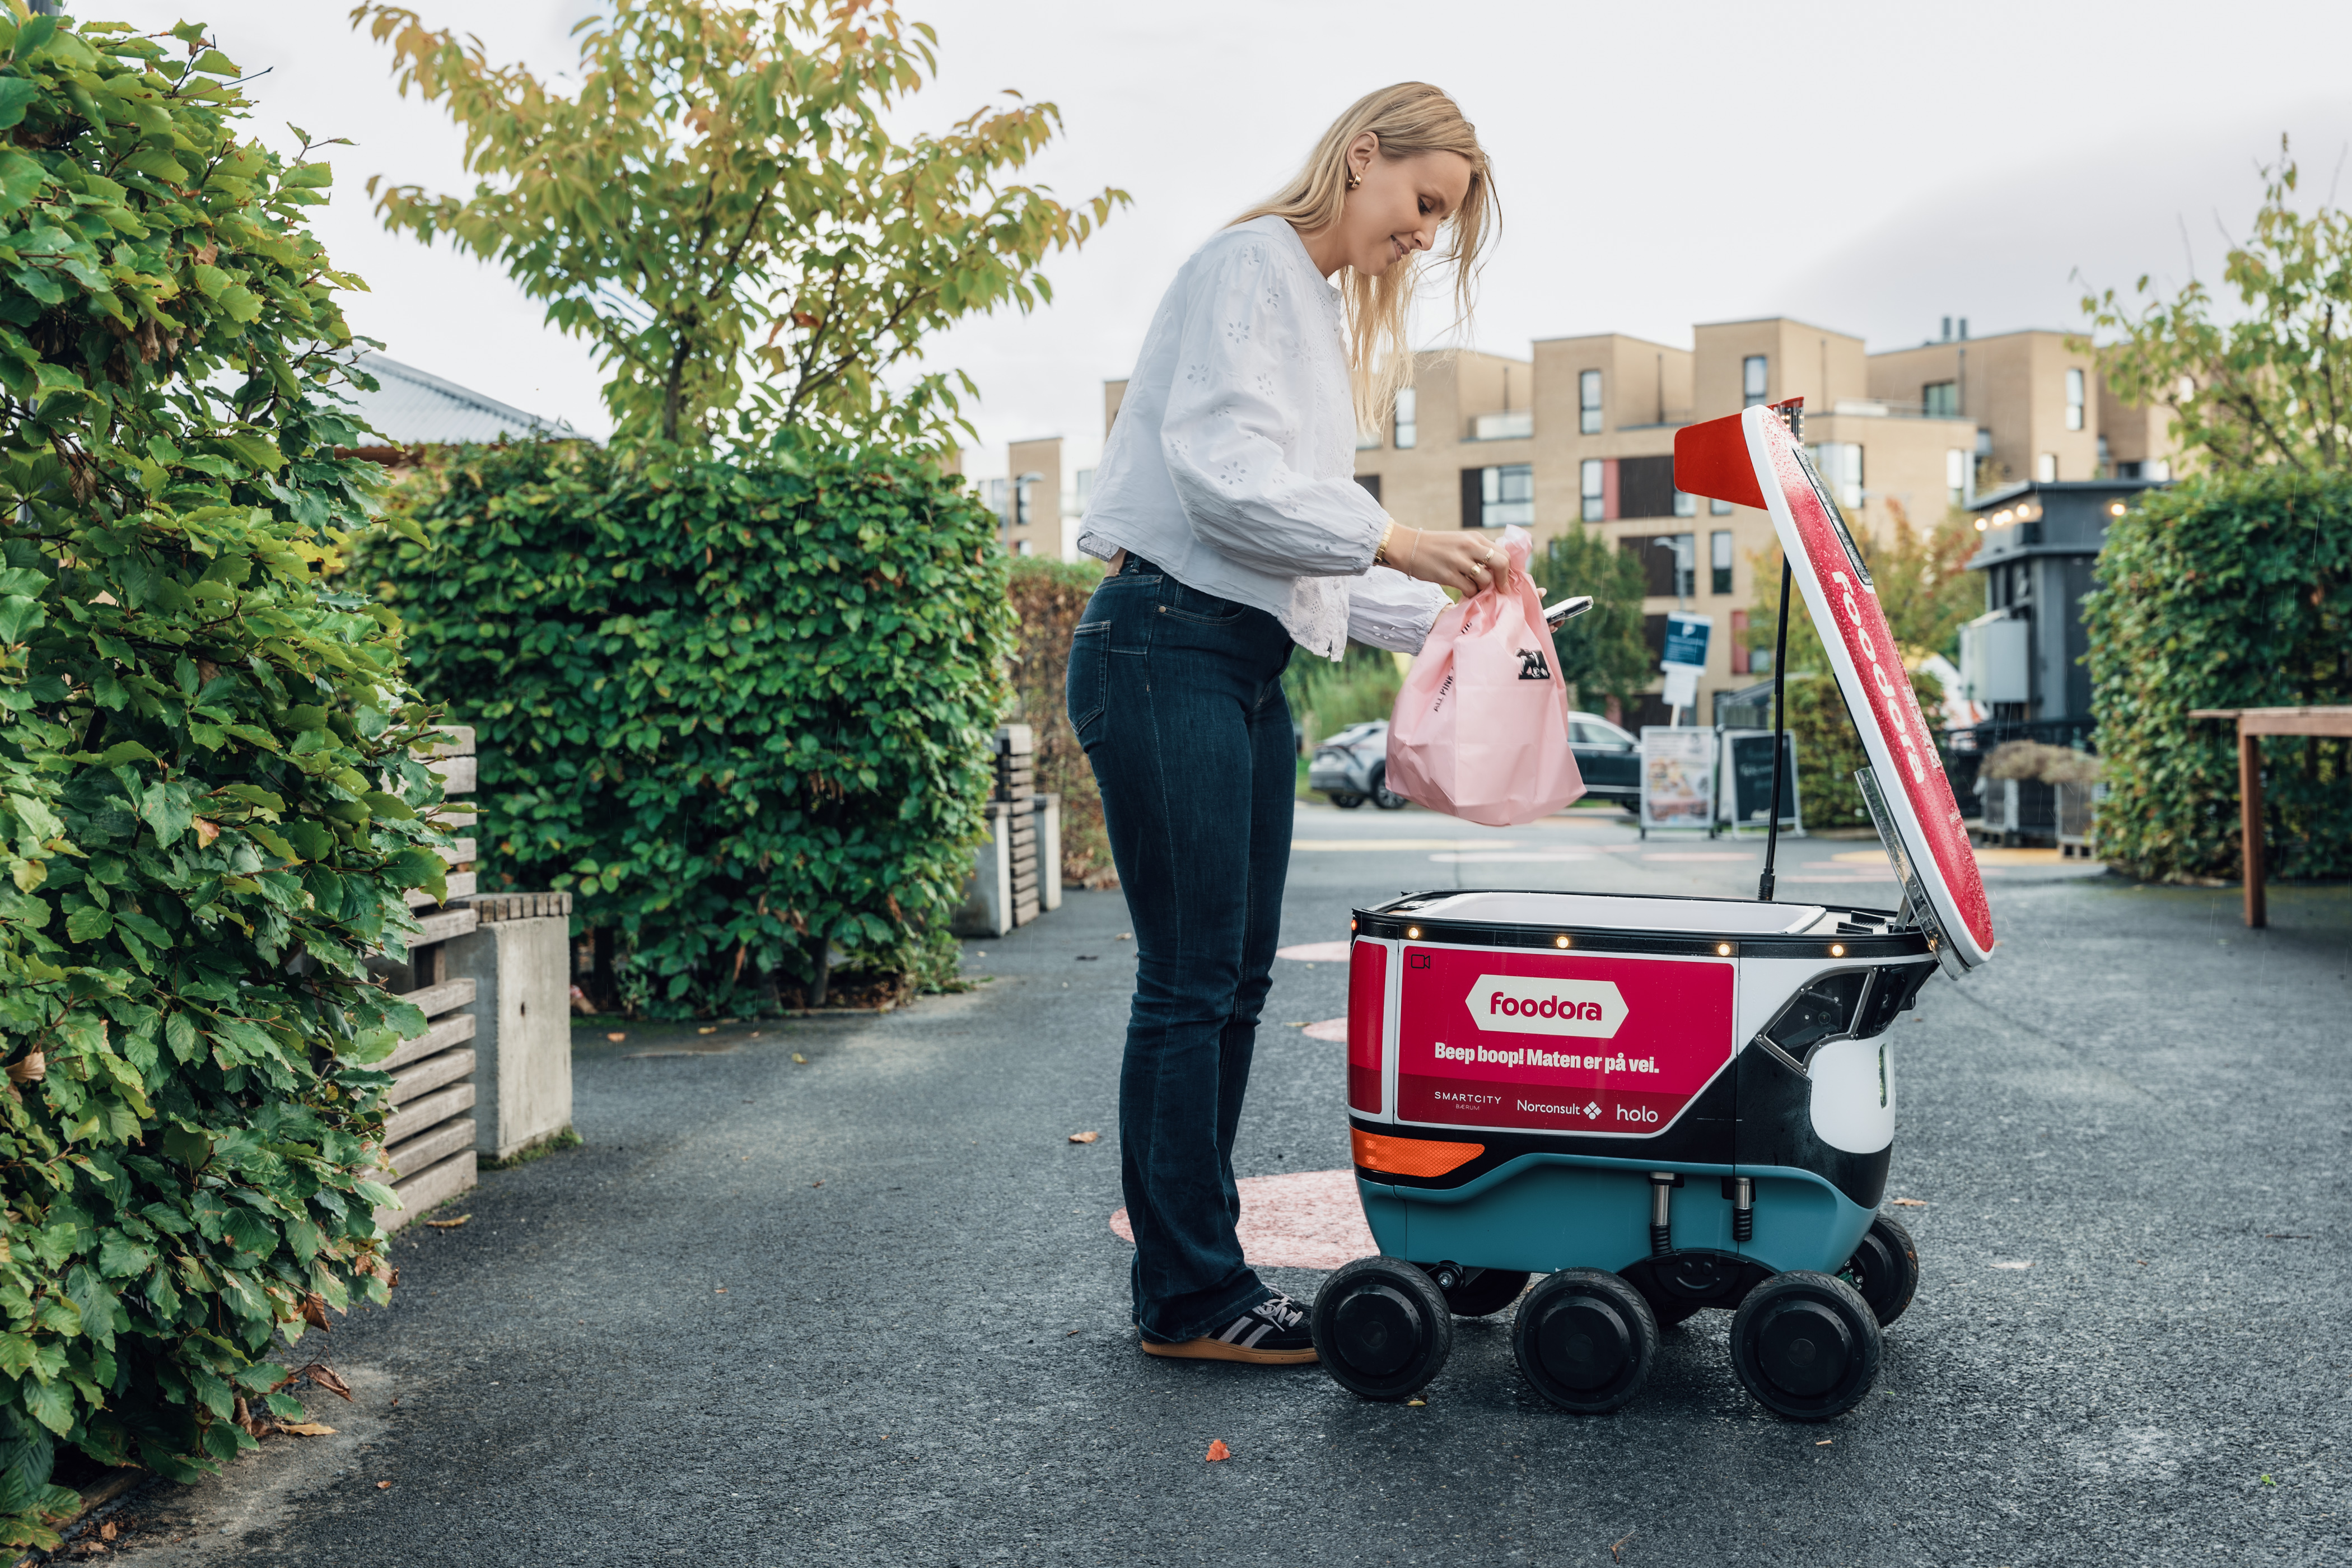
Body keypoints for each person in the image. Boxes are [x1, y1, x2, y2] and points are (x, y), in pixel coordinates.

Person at [1068, 83, 1503, 1364]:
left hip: (1232, 655)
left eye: (1444, 221)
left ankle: (1197, 1280)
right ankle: (1191, 1297)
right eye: (1423, 203)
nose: (1424, 236)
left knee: (1232, 980)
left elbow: (1288, 558)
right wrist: (1403, 538)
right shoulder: (1250, 266)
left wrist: (1459, 614)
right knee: (1192, 980)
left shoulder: (1306, 303)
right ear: (1361, 153)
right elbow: (1225, 480)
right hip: (1165, 647)